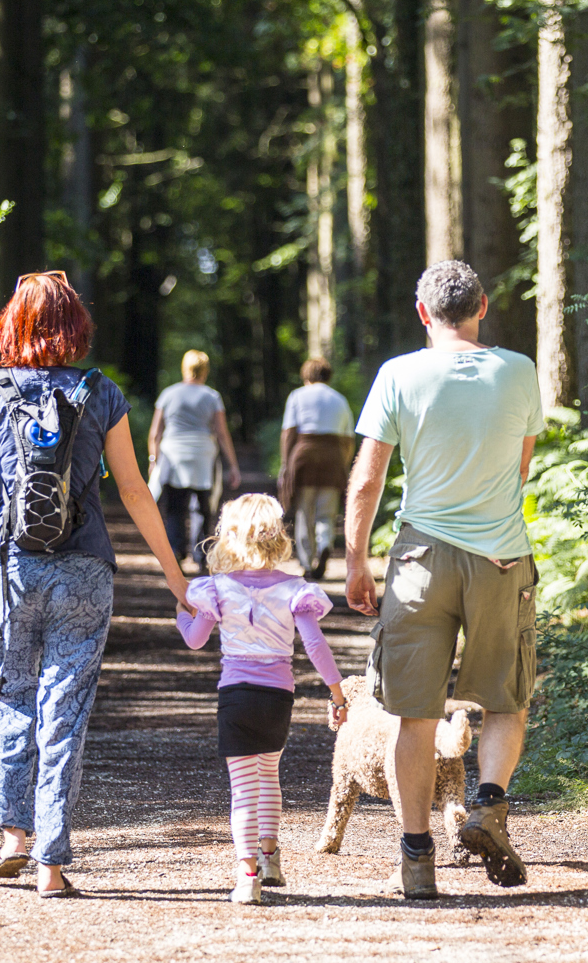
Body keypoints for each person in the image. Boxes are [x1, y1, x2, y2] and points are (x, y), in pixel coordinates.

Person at [0, 270, 190, 898]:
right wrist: (176, 576)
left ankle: (12, 837)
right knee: (64, 706)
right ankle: (51, 863)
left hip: (10, 568)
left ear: (13, 324)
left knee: (8, 692)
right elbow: (133, 489)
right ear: (75, 326)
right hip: (85, 568)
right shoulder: (100, 392)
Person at [345, 260, 544, 900]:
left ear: (422, 312)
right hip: (501, 561)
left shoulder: (398, 374)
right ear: (483, 306)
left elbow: (369, 478)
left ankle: (416, 857)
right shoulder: (519, 370)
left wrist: (354, 560)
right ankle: (487, 805)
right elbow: (520, 466)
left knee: (414, 713)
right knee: (507, 699)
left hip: (417, 563)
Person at [174, 493, 347, 904]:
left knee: (243, 789)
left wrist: (182, 614)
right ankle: (271, 859)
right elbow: (316, 647)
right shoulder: (294, 590)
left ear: (228, 537)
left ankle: (247, 874)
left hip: (236, 697)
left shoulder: (216, 589)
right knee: (269, 775)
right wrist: (337, 693)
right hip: (277, 698)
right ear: (278, 537)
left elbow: (196, 640)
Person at [148, 349, 241, 570]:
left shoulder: (168, 394)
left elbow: (155, 433)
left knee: (174, 508)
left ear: (184, 367)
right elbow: (221, 432)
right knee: (203, 507)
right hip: (203, 457)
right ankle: (201, 557)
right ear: (205, 370)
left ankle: (175, 553)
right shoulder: (212, 396)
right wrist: (233, 465)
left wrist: (153, 460)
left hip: (173, 456)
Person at [277, 356, 354, 579]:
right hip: (332, 458)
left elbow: (289, 432)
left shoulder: (297, 396)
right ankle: (324, 545)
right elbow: (348, 439)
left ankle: (307, 561)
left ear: (306, 376)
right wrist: (343, 463)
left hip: (304, 458)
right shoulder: (339, 400)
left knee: (304, 512)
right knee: (326, 513)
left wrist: (286, 464)